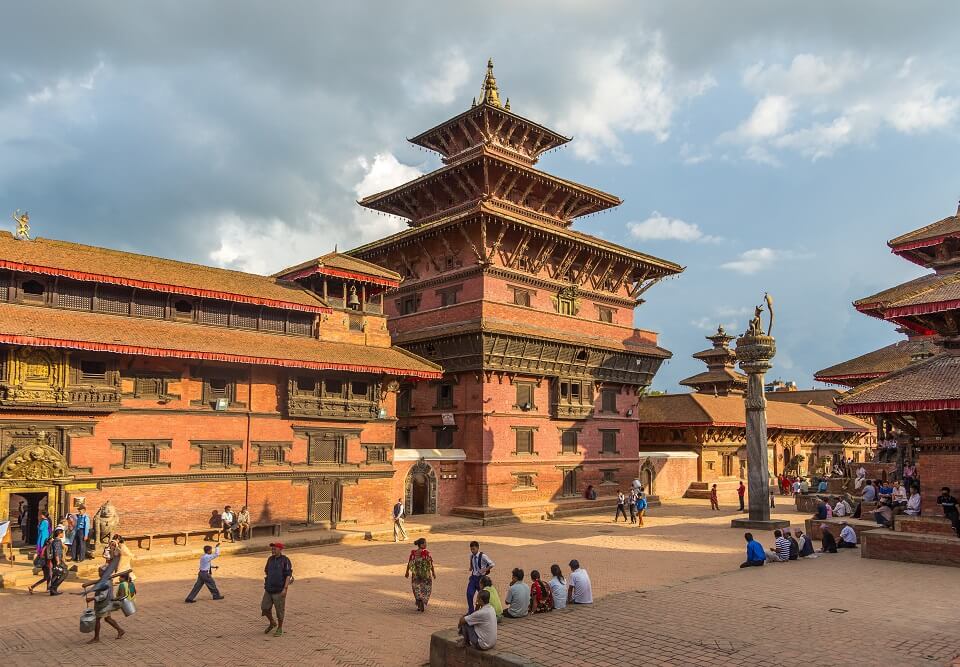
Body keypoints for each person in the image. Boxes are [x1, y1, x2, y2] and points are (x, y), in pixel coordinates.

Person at [262, 542, 293, 636]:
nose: (273, 551)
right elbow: (267, 571)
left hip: (279, 589)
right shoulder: (270, 559)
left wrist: (285, 588)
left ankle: (280, 627)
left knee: (279, 610)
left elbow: (288, 575)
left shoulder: (285, 560)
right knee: (264, 607)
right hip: (269, 588)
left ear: (280, 550)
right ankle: (272, 622)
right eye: (272, 549)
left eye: (275, 549)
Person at [405, 537, 435, 613]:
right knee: (426, 587)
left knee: (417, 588)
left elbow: (409, 563)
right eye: (425, 543)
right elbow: (430, 563)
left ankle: (419, 602)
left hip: (416, 574)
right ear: (421, 545)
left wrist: (407, 572)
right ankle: (422, 600)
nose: (426, 544)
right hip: (425, 574)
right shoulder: (426, 553)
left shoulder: (413, 553)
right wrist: (433, 572)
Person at [466, 541, 494, 614]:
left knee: (482, 596)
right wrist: (471, 567)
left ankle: (484, 611)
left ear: (478, 548)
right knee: (469, 594)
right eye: (471, 549)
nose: (472, 551)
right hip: (473, 577)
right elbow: (471, 563)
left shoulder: (483, 556)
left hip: (481, 579)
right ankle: (471, 611)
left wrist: (485, 569)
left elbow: (492, 564)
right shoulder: (471, 556)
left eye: (474, 549)